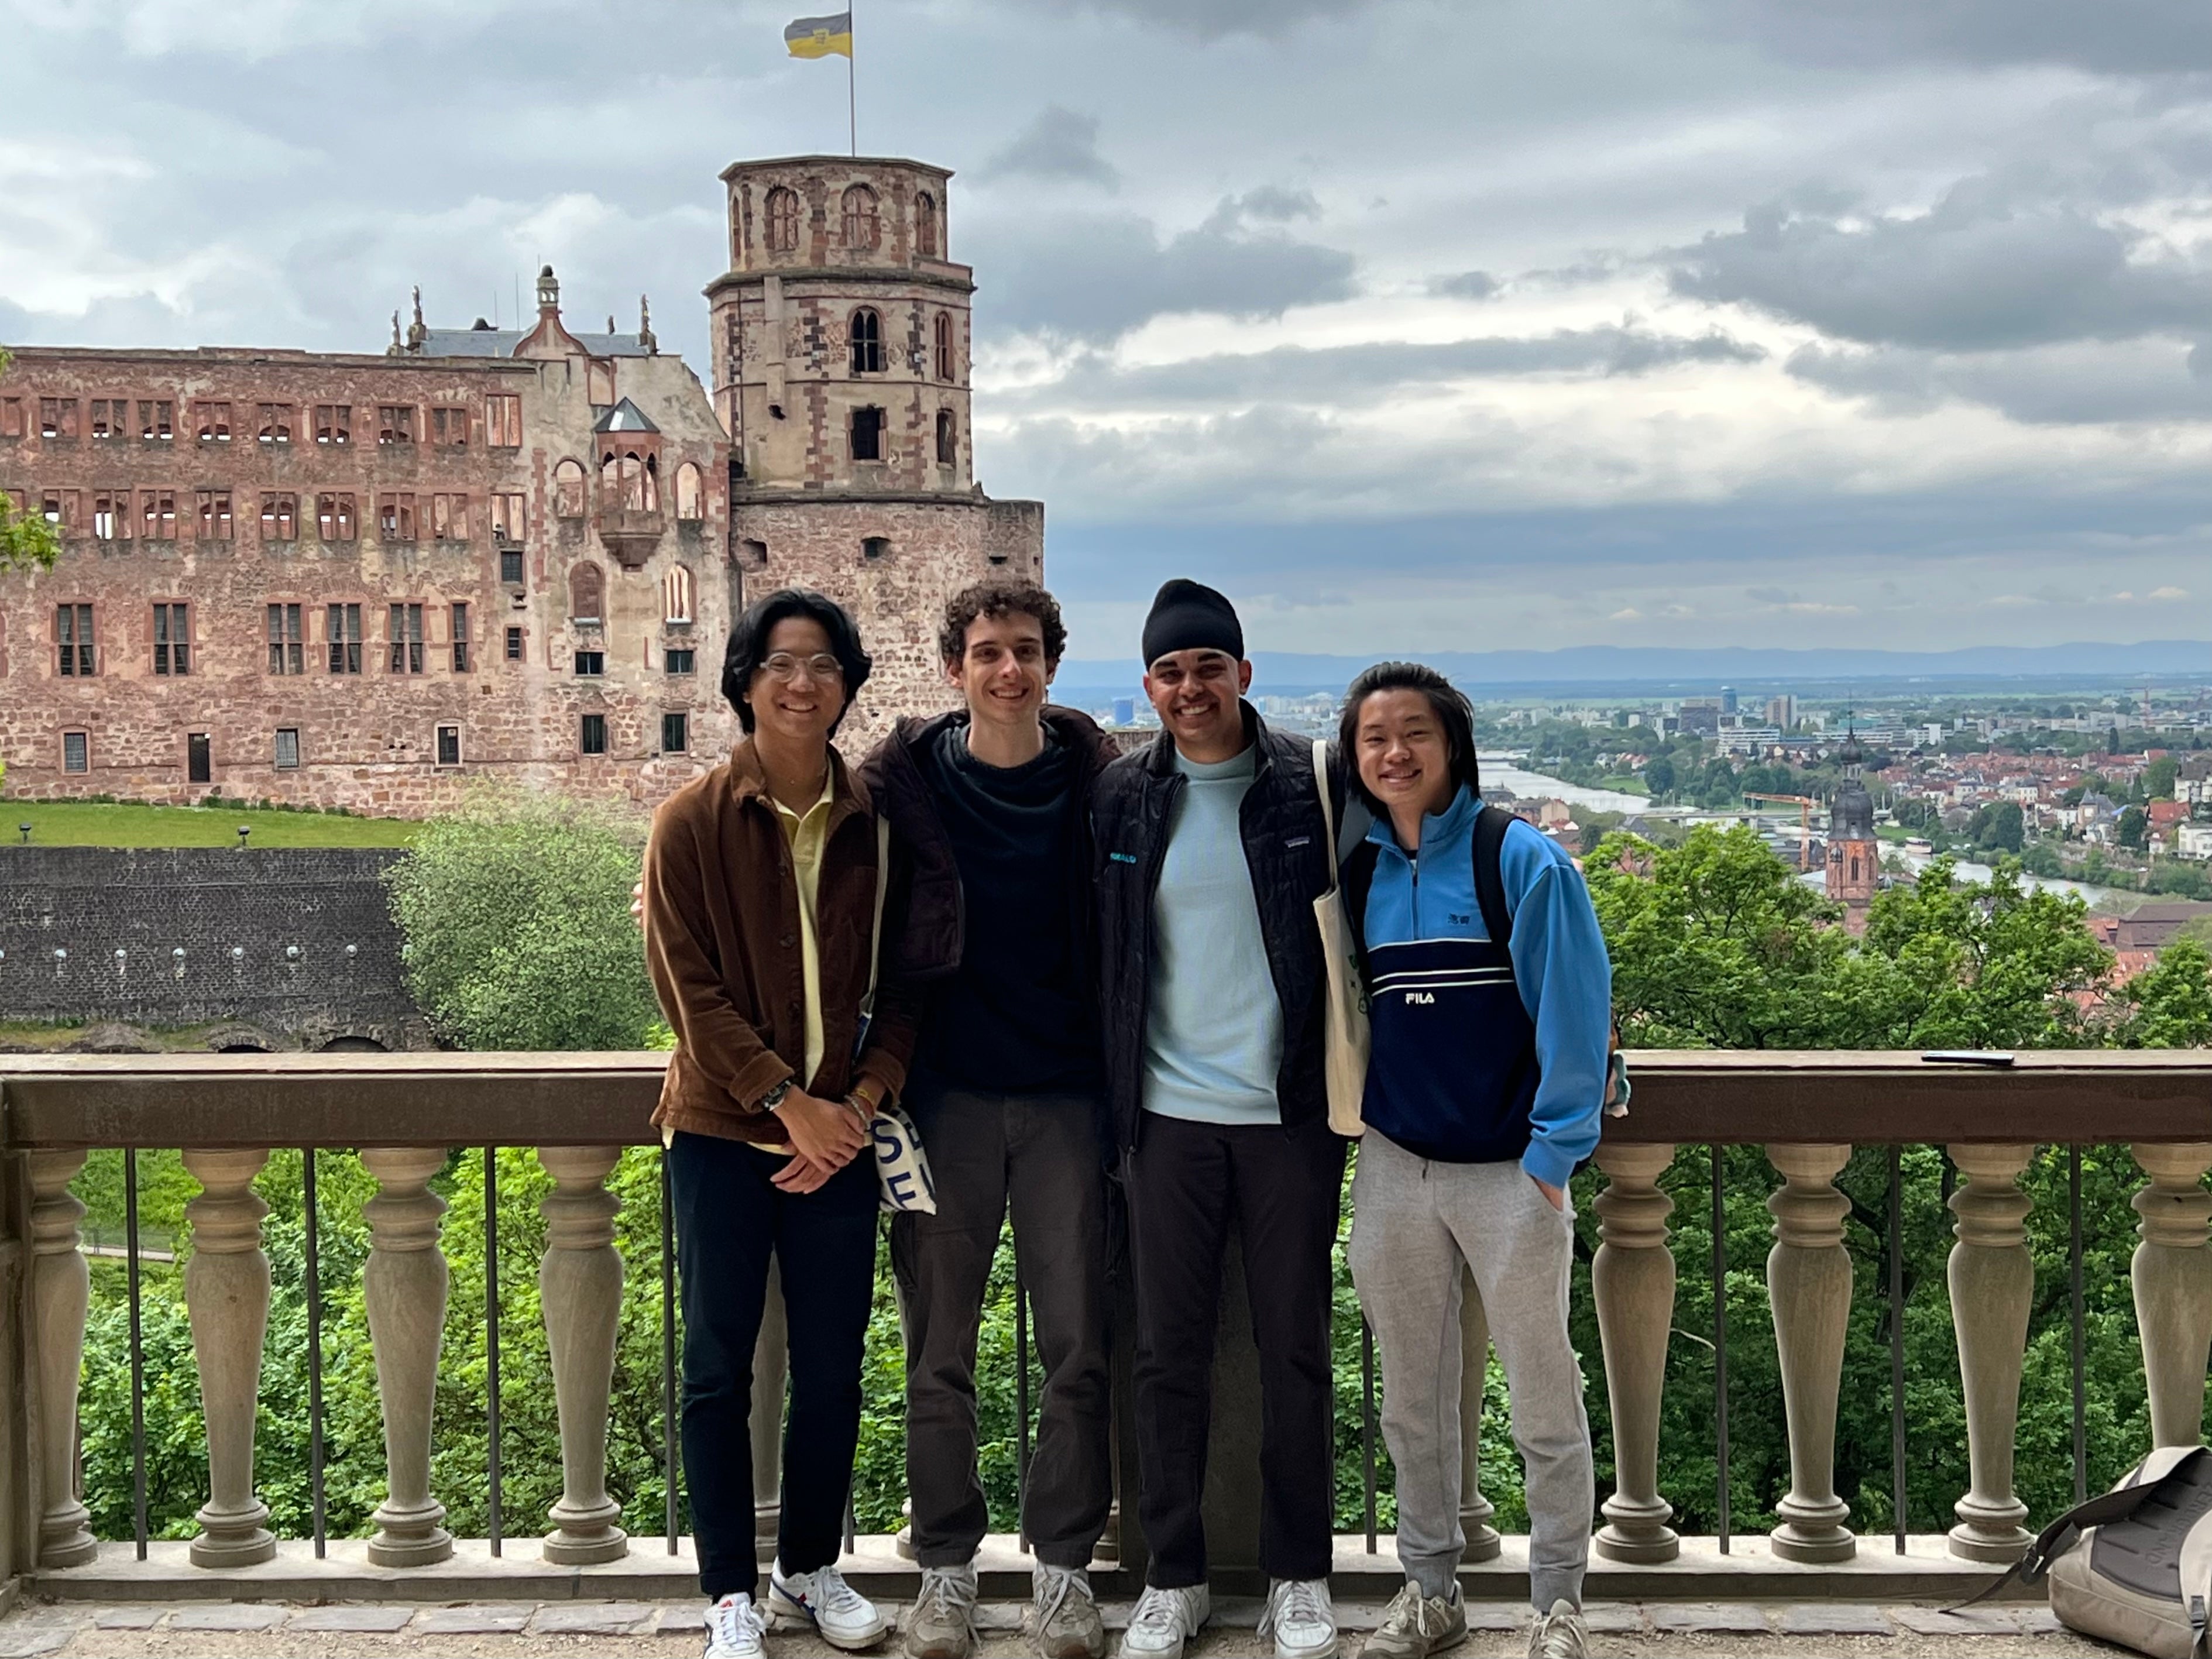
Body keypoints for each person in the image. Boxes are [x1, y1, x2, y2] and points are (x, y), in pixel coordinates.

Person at [642, 587, 920, 1659]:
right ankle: (728, 1594)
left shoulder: (878, 825)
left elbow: (907, 985)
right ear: (745, 683)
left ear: (846, 684)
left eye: (822, 666)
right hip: (723, 1131)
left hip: (841, 1135)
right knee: (716, 1365)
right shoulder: (693, 819)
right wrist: (782, 1103)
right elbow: (688, 990)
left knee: (834, 1364)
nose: (801, 683)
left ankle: (808, 1565)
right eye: (779, 664)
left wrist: (853, 1105)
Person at [857, 579, 1121, 1659]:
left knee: (1078, 1349)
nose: (1006, 669)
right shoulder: (909, 778)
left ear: (1051, 664)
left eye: (1023, 651)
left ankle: (1064, 1573)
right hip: (946, 1099)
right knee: (938, 1351)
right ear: (953, 669)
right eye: (985, 652)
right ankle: (948, 1573)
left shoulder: (1106, 781)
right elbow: (790, 828)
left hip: (1070, 1097)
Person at [1091, 579, 1346, 1659]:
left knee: (1293, 1348)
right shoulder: (1120, 798)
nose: (1190, 688)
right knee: (1165, 1354)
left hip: (1289, 1112)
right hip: (1164, 1117)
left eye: (1208, 667)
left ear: (1244, 673)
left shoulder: (1313, 786)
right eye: (1169, 672)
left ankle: (1299, 1576)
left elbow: (1415, 868)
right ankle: (1175, 1575)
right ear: (1148, 686)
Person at [1337, 661, 1607, 1659]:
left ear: (1453, 745)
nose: (1394, 753)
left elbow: (1578, 1011)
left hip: (1509, 1170)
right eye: (1373, 738)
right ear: (1355, 756)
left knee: (1541, 1385)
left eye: (1415, 733)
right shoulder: (1360, 872)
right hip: (1397, 1162)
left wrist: (1554, 1151)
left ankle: (1558, 1602)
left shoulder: (1519, 859)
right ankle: (1431, 1590)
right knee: (1411, 1395)